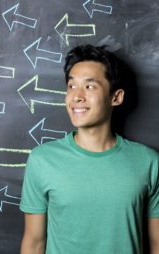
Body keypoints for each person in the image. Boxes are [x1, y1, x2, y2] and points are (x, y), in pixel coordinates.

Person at [19, 44, 159, 254]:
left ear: (116, 97)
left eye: (90, 86)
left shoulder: (148, 162)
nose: (76, 96)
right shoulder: (42, 160)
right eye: (71, 86)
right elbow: (34, 242)